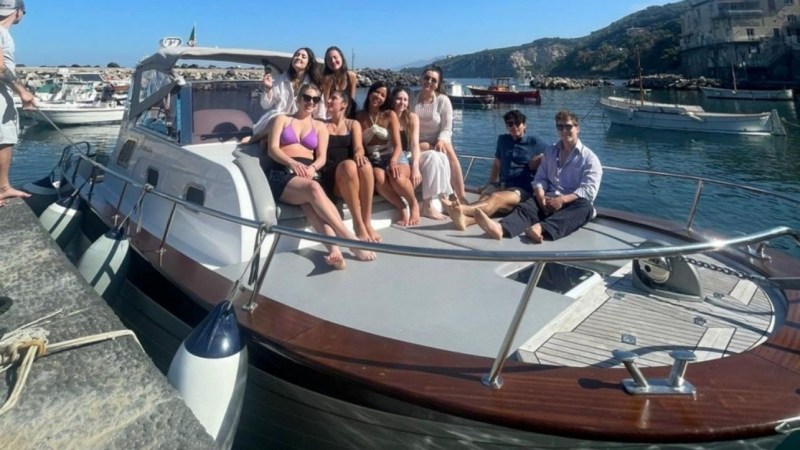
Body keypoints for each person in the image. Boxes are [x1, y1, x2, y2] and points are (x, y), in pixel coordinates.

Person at [266, 84, 375, 269]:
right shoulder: (281, 120)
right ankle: (350, 240)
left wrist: (312, 168)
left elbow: (322, 157)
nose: (311, 102)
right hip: (283, 173)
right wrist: (292, 163)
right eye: (307, 98)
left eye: (315, 100)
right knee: (314, 189)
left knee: (312, 208)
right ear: (299, 98)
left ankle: (335, 252)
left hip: (308, 174)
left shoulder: (319, 126)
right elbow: (272, 149)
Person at [475, 110, 602, 244]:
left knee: (586, 207)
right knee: (528, 207)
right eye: (560, 127)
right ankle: (500, 228)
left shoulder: (590, 159)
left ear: (577, 128)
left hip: (571, 202)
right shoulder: (551, 152)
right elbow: (540, 178)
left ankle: (539, 228)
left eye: (568, 126)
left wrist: (562, 200)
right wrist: (541, 197)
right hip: (549, 198)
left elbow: (588, 190)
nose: (564, 130)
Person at [448, 109, 548, 229]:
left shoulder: (534, 141)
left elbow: (555, 151)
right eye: (510, 124)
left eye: (518, 123)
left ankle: (460, 209)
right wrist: (490, 183)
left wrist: (542, 156)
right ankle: (467, 221)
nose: (514, 126)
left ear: (524, 124)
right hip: (502, 184)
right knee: (485, 198)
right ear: (506, 126)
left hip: (522, 189)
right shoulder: (502, 140)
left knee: (495, 198)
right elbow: (497, 164)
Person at [356, 81, 420, 226]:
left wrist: (393, 161)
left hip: (394, 156)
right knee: (378, 176)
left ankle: (413, 203)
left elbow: (398, 145)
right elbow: (359, 144)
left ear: (386, 99)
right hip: (375, 160)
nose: (378, 96)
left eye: (383, 95)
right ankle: (401, 206)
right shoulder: (359, 116)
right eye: (376, 92)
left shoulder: (389, 115)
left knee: (396, 176)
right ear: (370, 92)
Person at [321, 90, 381, 243]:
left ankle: (367, 222)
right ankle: (358, 224)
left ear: (344, 104)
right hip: (332, 178)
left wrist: (359, 154)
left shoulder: (353, 124)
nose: (328, 101)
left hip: (351, 176)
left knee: (366, 165)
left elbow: (358, 147)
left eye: (333, 98)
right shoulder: (321, 124)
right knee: (348, 165)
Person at [390, 86, 452, 220]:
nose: (402, 102)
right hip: (396, 158)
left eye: (405, 99)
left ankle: (442, 199)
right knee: (432, 158)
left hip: (408, 156)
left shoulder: (412, 117)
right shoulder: (389, 116)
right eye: (399, 99)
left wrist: (416, 168)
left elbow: (414, 144)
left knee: (438, 156)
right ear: (393, 100)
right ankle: (427, 206)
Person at [413, 65, 466, 205]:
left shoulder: (443, 101)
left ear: (438, 84)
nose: (429, 82)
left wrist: (441, 140)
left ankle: (461, 196)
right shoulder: (412, 99)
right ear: (421, 79)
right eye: (426, 78)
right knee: (431, 150)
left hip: (438, 138)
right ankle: (445, 196)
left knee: (449, 152)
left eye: (433, 80)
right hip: (417, 140)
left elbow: (447, 128)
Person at [250, 47, 323, 143]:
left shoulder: (313, 84)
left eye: (303, 56)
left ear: (308, 64)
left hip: (302, 120)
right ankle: (260, 139)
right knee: (278, 119)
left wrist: (319, 125)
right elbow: (265, 105)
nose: (299, 57)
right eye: (296, 55)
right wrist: (268, 88)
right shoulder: (281, 79)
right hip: (278, 121)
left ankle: (262, 140)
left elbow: (319, 109)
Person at [0, 0, 31, 208]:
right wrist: (23, 91)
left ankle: (3, 186)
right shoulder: (2, 33)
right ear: (18, 12)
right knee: (4, 138)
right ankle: (2, 188)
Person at [321, 46, 357, 118]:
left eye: (335, 57)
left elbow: (352, 100)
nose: (333, 61)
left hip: (347, 113)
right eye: (329, 59)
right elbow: (326, 103)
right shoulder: (326, 79)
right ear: (326, 62)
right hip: (331, 114)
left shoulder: (351, 76)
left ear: (341, 58)